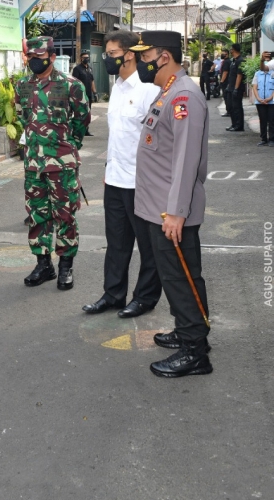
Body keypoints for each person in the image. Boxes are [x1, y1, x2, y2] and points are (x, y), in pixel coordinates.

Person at [131, 30, 212, 378]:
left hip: (169, 211)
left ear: (164, 57)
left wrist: (176, 212)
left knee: (180, 278)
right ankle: (190, 330)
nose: (139, 63)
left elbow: (185, 159)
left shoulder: (184, 97)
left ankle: (195, 352)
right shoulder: (167, 92)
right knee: (178, 276)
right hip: (157, 207)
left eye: (145, 56)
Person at [82, 31, 162, 318]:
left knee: (148, 246)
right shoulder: (117, 87)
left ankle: (144, 298)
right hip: (115, 179)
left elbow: (159, 140)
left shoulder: (148, 89)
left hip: (141, 183)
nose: (107, 59)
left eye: (112, 53)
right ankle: (113, 294)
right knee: (116, 243)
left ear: (130, 54)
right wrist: (108, 169)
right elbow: (118, 136)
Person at [15, 36, 90, 291]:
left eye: (40, 56)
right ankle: (43, 264)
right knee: (37, 215)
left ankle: (66, 267)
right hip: (33, 164)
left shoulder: (72, 85)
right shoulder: (22, 86)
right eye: (31, 57)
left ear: (52, 56)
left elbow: (82, 121)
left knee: (65, 215)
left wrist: (68, 148)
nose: (35, 61)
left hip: (62, 164)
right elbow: (22, 118)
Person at [252, 51, 274, 146]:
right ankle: (263, 139)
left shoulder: (273, 73)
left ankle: (272, 139)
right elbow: (254, 87)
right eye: (265, 61)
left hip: (272, 101)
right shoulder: (257, 74)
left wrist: (270, 97)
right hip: (260, 101)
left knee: (272, 120)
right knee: (263, 120)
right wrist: (258, 98)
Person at [72, 49, 97, 135]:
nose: (86, 59)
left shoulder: (90, 69)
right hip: (80, 95)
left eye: (87, 57)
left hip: (89, 94)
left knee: (88, 112)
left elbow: (92, 81)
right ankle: (78, 130)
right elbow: (74, 82)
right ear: (81, 58)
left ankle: (86, 130)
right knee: (80, 113)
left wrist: (95, 92)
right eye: (84, 57)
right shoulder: (77, 69)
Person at [226, 43, 245, 133]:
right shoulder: (233, 61)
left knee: (237, 107)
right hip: (231, 87)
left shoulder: (240, 61)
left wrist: (236, 89)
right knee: (231, 107)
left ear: (234, 50)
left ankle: (239, 125)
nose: (230, 50)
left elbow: (239, 76)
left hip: (237, 88)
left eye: (231, 49)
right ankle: (234, 124)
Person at [219, 48, 231, 117]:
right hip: (227, 82)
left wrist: (221, 81)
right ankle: (228, 111)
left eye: (223, 53)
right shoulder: (227, 61)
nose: (222, 55)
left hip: (226, 82)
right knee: (226, 97)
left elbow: (225, 72)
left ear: (226, 54)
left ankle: (228, 111)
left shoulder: (226, 62)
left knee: (226, 97)